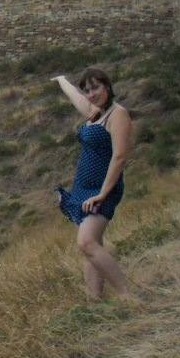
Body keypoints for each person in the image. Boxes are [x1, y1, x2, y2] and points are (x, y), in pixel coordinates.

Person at [54, 67, 131, 299]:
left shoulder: (118, 114)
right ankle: (94, 300)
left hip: (102, 189)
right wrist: (62, 80)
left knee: (86, 242)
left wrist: (102, 194)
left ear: (107, 86)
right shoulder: (95, 113)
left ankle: (128, 295)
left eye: (95, 88)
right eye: (87, 90)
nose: (91, 94)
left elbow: (119, 157)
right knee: (92, 245)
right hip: (83, 189)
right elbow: (75, 96)